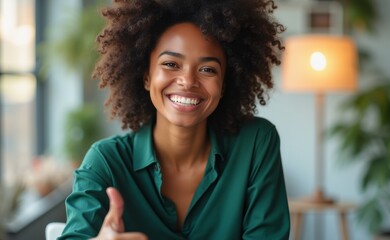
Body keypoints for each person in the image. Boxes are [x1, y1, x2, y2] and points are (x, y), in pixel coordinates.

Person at [58, 0, 289, 239]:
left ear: (223, 85)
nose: (188, 81)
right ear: (146, 76)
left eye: (208, 69)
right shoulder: (106, 162)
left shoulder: (255, 143)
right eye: (170, 64)